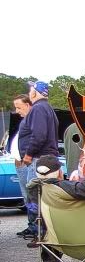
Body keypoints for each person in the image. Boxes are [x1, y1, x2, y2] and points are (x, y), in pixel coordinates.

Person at [18, 81, 59, 237]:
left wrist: (28, 154)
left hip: (39, 159)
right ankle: (42, 231)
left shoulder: (38, 108)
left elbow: (39, 135)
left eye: (30, 89)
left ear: (34, 92)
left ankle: (39, 232)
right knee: (41, 195)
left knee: (34, 194)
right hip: (46, 157)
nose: (29, 93)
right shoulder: (47, 108)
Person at [9, 95, 34, 238]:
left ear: (28, 105)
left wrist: (27, 157)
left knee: (31, 196)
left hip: (26, 164)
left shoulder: (32, 121)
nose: (16, 111)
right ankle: (32, 225)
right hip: (21, 165)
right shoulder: (25, 121)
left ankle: (35, 226)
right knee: (27, 197)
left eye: (19, 107)